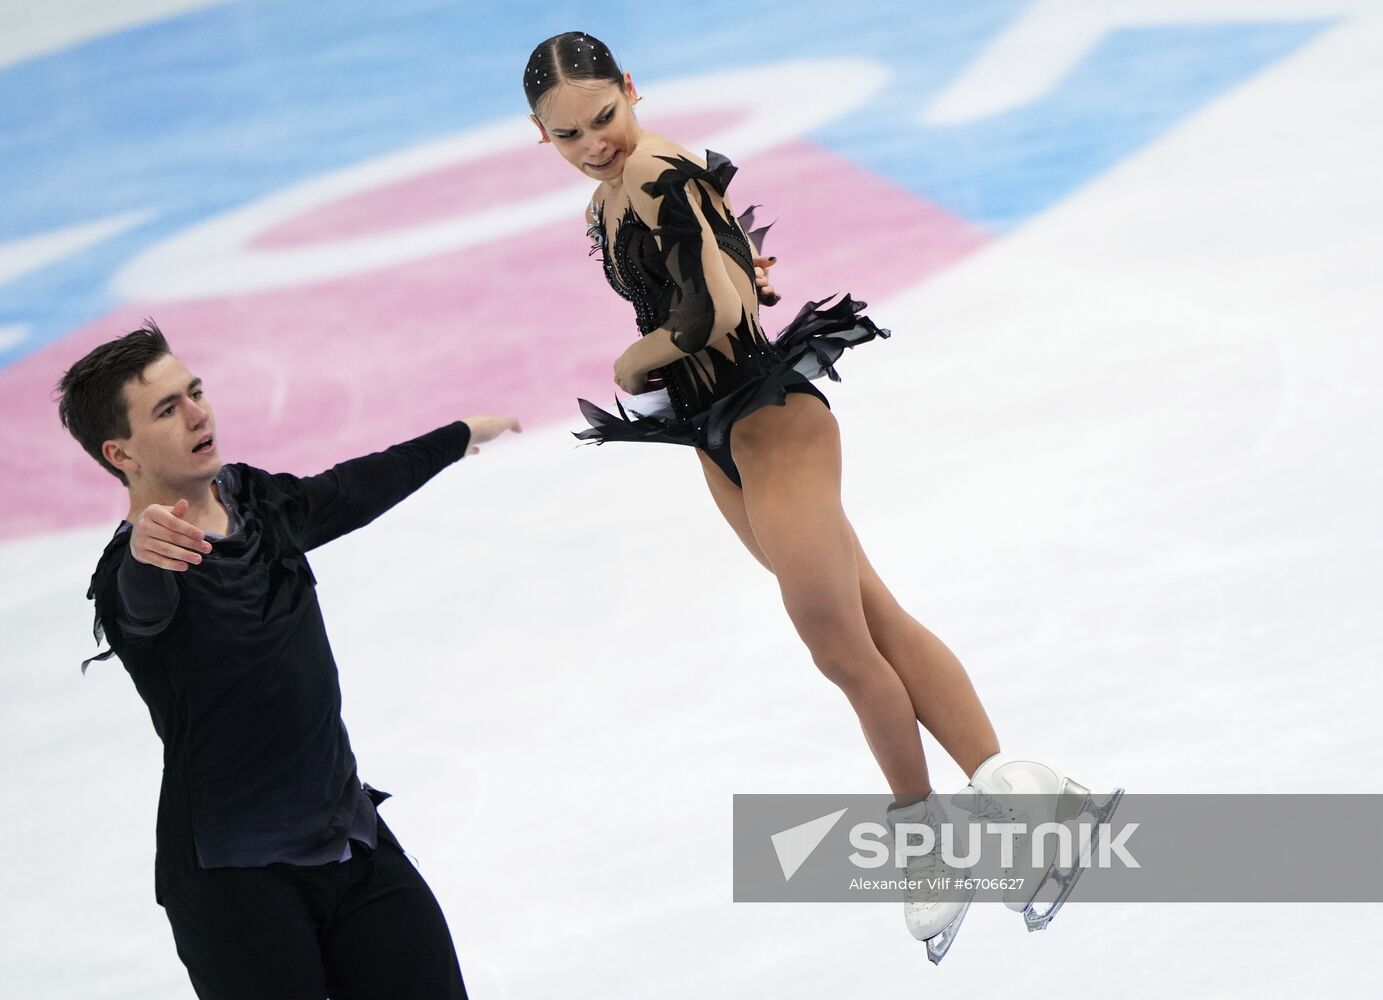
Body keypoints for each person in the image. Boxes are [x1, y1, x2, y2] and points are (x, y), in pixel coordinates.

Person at [522, 32, 1119, 962]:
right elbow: (730, 273)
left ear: (631, 89)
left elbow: (711, 317)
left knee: (838, 647)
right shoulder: (611, 197)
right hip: (713, 435)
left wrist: (630, 360)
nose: (594, 142)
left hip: (769, 418)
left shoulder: (654, 172)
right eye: (568, 135)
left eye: (604, 116)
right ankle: (1040, 808)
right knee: (871, 622)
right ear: (540, 134)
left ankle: (932, 841)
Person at [57, 322, 520, 999]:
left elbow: (352, 489)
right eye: (166, 409)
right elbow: (139, 601)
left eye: (194, 391)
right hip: (233, 882)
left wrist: (456, 437)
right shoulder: (136, 572)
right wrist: (141, 551)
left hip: (348, 838)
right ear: (119, 453)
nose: (197, 412)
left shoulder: (259, 504)